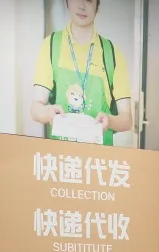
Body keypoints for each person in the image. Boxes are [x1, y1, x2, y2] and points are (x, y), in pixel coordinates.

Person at [30, 0, 134, 146]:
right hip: (63, 154)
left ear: (97, 5)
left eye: (89, 0)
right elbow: (35, 108)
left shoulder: (112, 53)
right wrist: (48, 112)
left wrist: (109, 121)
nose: (82, 6)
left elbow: (127, 119)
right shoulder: (51, 45)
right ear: (67, 2)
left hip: (99, 155)